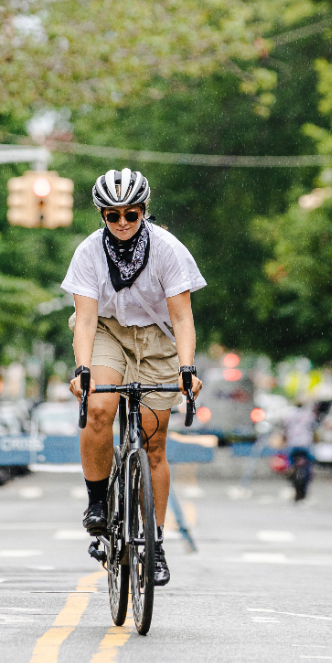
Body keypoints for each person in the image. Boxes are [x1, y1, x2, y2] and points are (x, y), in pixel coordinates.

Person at [63, 168, 205, 587]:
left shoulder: (167, 251)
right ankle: (97, 506)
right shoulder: (88, 253)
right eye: (112, 215)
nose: (122, 222)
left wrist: (186, 369)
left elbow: (182, 316)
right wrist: (83, 372)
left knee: (153, 443)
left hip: (160, 339)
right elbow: (85, 322)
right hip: (107, 330)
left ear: (144, 211)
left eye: (131, 213)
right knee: (100, 407)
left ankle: (154, 544)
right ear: (101, 216)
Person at [283, 403, 316, 501]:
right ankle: (303, 486)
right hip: (305, 443)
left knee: (291, 465)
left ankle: (292, 478)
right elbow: (314, 426)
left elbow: (284, 426)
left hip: (292, 443)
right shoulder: (309, 414)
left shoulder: (289, 414)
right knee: (308, 467)